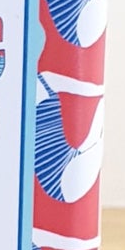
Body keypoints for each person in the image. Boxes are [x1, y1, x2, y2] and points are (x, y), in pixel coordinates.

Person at [33, 70, 104, 206]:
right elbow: (90, 89)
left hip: (57, 177)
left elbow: (89, 89)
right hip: (59, 180)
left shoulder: (43, 80)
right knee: (99, 113)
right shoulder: (45, 79)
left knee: (99, 114)